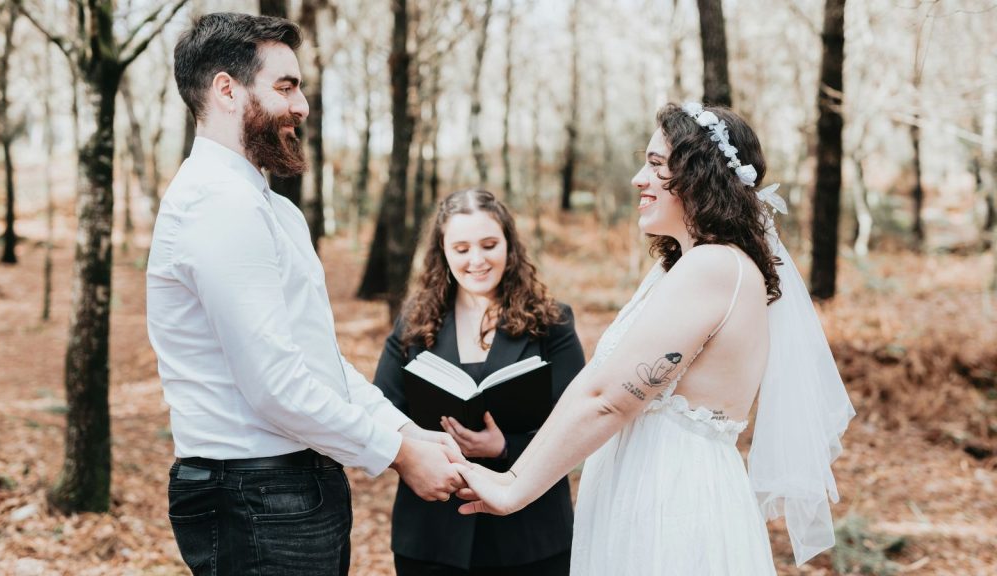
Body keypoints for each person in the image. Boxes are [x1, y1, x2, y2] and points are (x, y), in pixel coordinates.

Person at [456, 103, 855, 575]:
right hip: (648, 489)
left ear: (698, 177)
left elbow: (612, 400)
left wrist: (514, 492)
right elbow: (593, 386)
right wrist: (514, 475)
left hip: (673, 502)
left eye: (657, 164)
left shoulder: (714, 267)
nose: (638, 179)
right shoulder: (684, 268)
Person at [147, 13, 465, 576]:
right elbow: (274, 385)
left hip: (288, 488)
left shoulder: (271, 208)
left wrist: (405, 430)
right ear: (227, 89)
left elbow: (317, 363)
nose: (302, 106)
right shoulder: (219, 204)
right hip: (254, 494)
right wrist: (399, 453)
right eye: (285, 86)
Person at [373, 189, 586, 576]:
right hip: (432, 532)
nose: (476, 260)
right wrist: (420, 451)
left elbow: (576, 422)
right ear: (443, 252)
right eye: (461, 248)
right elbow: (382, 409)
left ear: (509, 244)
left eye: (489, 245)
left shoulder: (552, 322)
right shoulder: (415, 323)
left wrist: (506, 446)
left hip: (529, 534)